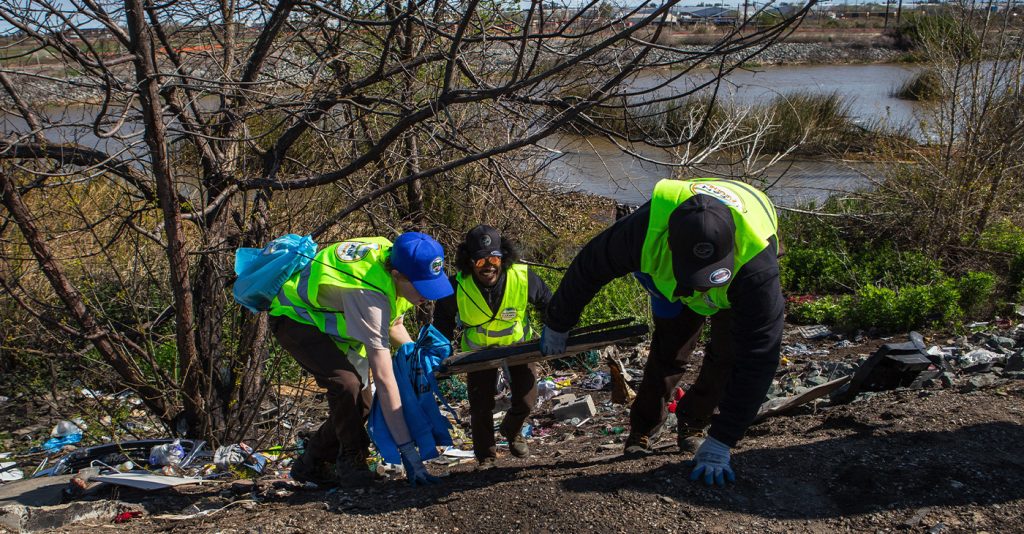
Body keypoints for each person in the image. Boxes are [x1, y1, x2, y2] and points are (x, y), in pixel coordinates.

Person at [539, 178, 783, 487]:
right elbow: (589, 267)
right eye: (697, 279)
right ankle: (643, 429)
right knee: (669, 352)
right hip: (671, 285)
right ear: (669, 243)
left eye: (708, 278)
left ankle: (694, 421)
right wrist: (558, 322)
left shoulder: (756, 267)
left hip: (733, 289)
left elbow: (761, 356)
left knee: (728, 356)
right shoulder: (640, 233)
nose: (702, 290)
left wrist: (724, 439)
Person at [269, 232, 454, 487]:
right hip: (295, 317)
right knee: (346, 385)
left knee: (363, 404)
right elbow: (385, 379)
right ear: (397, 275)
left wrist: (415, 355)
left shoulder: (396, 261)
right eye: (421, 286)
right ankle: (351, 460)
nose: (428, 295)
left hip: (333, 326)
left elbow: (394, 324)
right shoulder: (369, 292)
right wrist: (410, 455)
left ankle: (311, 462)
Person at [434, 225, 552, 470]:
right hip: (478, 353)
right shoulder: (457, 286)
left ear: (503, 258)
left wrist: (553, 333)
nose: (488, 266)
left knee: (527, 399)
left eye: (494, 259)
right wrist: (442, 354)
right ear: (470, 262)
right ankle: (486, 456)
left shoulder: (522, 277)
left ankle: (512, 429)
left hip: (518, 346)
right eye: (480, 261)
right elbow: (442, 320)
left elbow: (548, 303)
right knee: (480, 406)